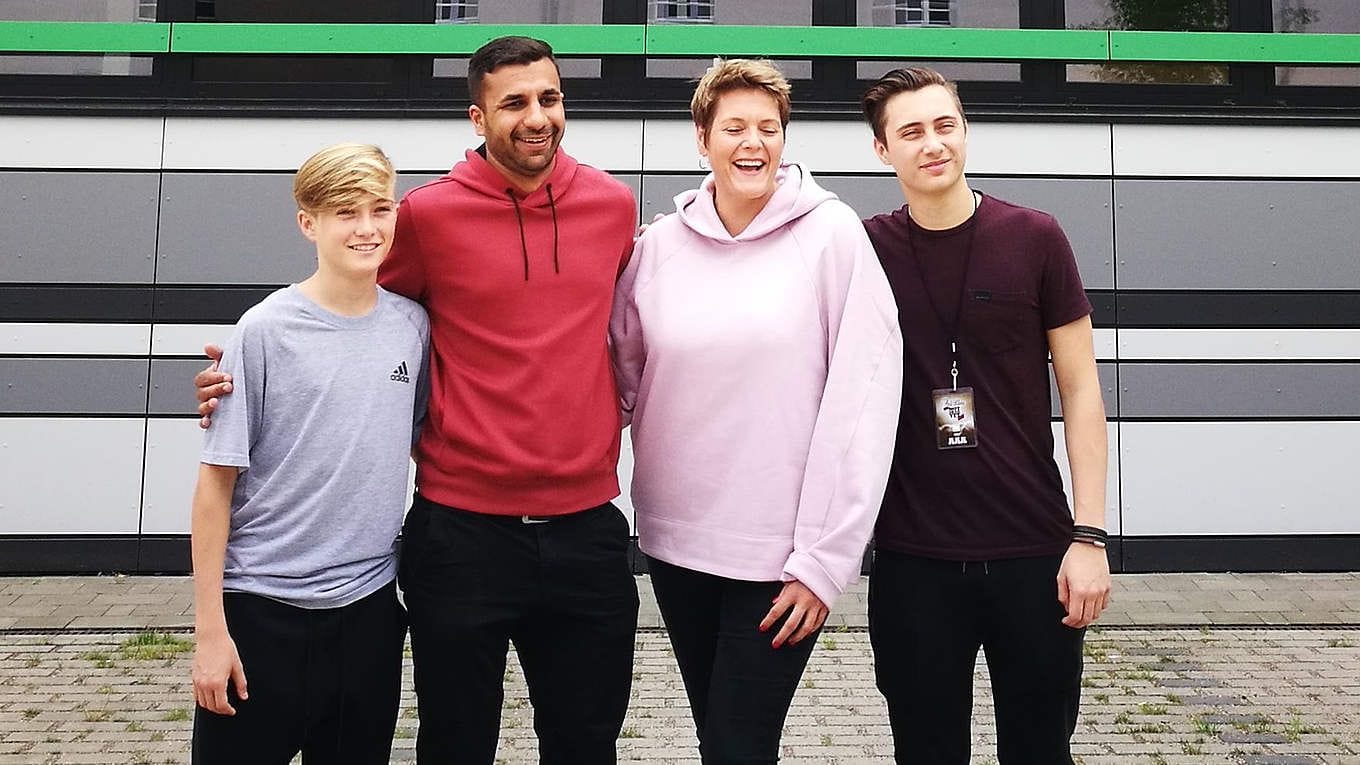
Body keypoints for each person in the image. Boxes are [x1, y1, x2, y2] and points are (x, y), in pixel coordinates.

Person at [195, 36, 640, 764]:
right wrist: (245, 367)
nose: (537, 117)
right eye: (514, 103)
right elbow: (352, 306)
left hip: (586, 529)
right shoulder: (428, 216)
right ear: (477, 117)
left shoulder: (613, 207)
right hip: (461, 534)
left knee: (587, 743)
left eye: (550, 98)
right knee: (457, 744)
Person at [610, 59, 903, 763]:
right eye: (734, 126)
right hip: (675, 546)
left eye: (769, 128)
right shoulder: (657, 250)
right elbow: (618, 379)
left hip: (780, 560)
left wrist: (825, 561)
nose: (753, 142)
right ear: (701, 137)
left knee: (740, 743)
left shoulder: (831, 236)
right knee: (723, 739)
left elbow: (864, 398)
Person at [859, 67, 1112, 764]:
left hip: (1033, 553)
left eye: (945, 125)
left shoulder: (1035, 237)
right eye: (910, 131)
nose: (932, 143)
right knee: (926, 750)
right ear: (883, 151)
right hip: (914, 559)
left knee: (1039, 749)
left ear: (965, 130)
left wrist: (1088, 535)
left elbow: (1082, 389)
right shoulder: (863, 250)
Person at [189, 143, 428, 764]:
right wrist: (211, 633)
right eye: (346, 212)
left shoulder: (412, 326)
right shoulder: (263, 330)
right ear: (308, 223)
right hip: (262, 611)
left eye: (380, 208)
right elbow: (214, 487)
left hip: (368, 612)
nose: (367, 228)